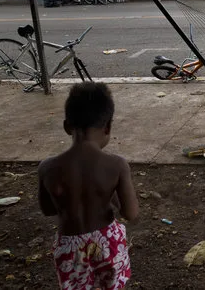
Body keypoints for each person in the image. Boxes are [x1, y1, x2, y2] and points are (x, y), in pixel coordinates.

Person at [38, 82, 139, 290]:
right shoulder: (116, 165)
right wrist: (108, 192)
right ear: (108, 127)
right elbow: (130, 212)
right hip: (107, 243)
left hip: (69, 247)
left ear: (67, 126)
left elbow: (47, 210)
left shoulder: (47, 168)